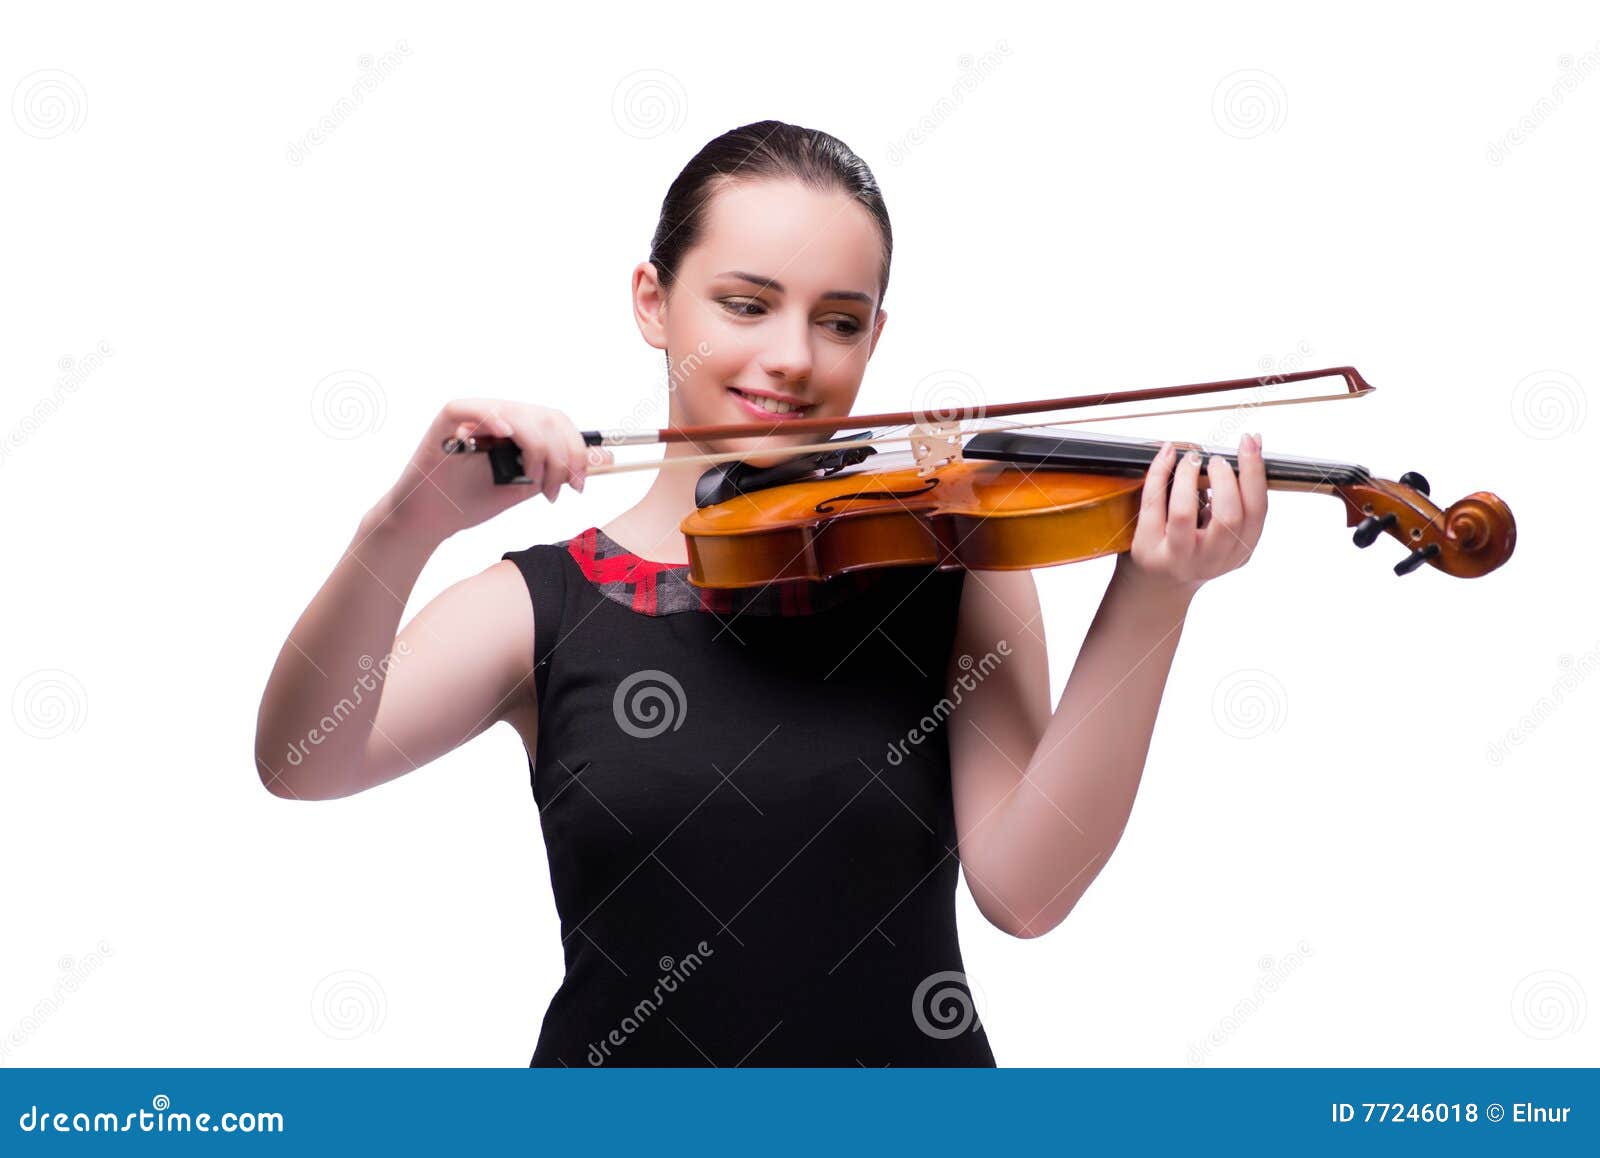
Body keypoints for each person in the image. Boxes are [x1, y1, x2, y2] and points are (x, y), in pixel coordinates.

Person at [254, 119, 1267, 1067]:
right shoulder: (543, 605)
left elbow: (1026, 892)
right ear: (654, 302)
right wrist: (406, 526)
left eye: (838, 320)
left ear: (875, 336)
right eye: (745, 305)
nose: (792, 358)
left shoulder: (948, 570)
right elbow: (301, 762)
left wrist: (1153, 594)